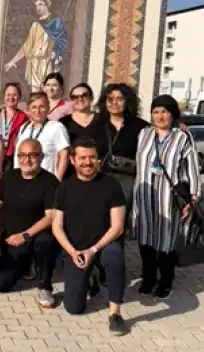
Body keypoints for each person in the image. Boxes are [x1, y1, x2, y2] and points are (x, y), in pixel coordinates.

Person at [52, 138, 128, 335]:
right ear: (72, 160)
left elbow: (118, 227)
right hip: (76, 248)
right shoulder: (64, 188)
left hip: (103, 245)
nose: (88, 162)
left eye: (92, 157)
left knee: (114, 256)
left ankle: (115, 313)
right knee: (74, 308)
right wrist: (73, 251)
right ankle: (90, 278)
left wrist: (93, 250)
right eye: (83, 158)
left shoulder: (111, 185)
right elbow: (57, 227)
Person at [133, 95, 201, 299]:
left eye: (165, 111)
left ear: (173, 115)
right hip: (144, 197)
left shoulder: (182, 137)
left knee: (166, 242)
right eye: (156, 111)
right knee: (145, 241)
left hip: (168, 199)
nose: (160, 116)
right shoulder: (143, 134)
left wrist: (193, 197)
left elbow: (193, 169)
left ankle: (166, 281)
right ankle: (148, 278)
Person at [0, 139, 58, 308]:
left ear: (41, 157)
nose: (26, 160)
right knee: (0, 284)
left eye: (32, 155)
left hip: (35, 236)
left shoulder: (50, 182)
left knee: (46, 242)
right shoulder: (9, 177)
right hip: (11, 238)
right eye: (22, 155)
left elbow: (50, 217)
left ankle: (45, 285)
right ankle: (25, 265)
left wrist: (25, 235)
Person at [95, 83, 149, 214]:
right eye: (110, 99)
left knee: (122, 214)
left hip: (128, 180)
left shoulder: (140, 126)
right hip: (102, 177)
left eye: (119, 99)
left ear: (127, 102)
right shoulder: (97, 124)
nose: (114, 103)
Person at [3, 0, 69, 92]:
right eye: (36, 5)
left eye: (40, 4)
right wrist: (13, 61)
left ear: (47, 5)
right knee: (35, 92)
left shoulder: (56, 23)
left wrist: (55, 52)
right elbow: (27, 46)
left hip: (46, 62)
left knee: (48, 90)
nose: (38, 7)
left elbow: (62, 41)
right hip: (34, 62)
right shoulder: (35, 25)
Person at [13, 92, 70, 181]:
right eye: (34, 107)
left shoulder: (56, 127)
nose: (38, 111)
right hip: (22, 180)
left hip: (45, 181)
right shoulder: (24, 128)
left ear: (48, 108)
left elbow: (64, 155)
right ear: (28, 110)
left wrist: (58, 180)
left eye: (42, 107)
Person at [59, 82, 99, 179]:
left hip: (96, 172)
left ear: (91, 98)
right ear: (71, 101)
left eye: (84, 95)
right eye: (75, 97)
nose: (80, 99)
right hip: (70, 174)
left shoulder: (102, 120)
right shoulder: (63, 122)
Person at [0, 82, 28, 170]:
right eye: (8, 95)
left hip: (12, 156)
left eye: (14, 95)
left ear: (19, 97)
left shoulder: (24, 117)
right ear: (4, 96)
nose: (11, 98)